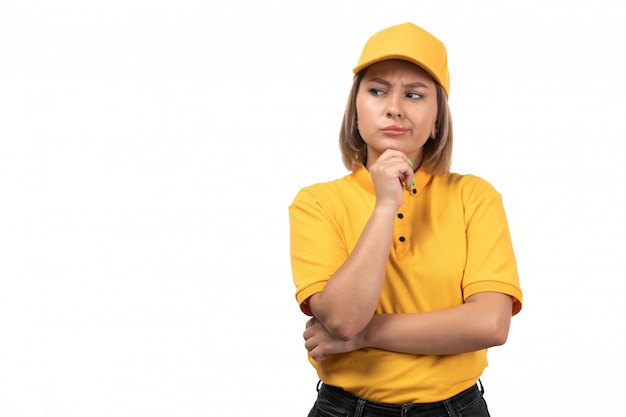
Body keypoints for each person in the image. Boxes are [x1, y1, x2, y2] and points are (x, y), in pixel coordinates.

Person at [288, 22, 523, 417]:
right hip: (346, 409)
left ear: (436, 121)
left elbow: (490, 325)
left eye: (414, 94)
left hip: (457, 409)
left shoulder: (474, 197)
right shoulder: (317, 203)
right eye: (377, 90)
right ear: (356, 110)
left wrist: (366, 335)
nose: (394, 107)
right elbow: (342, 320)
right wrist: (384, 206)